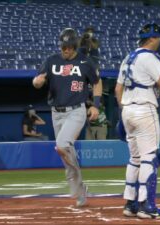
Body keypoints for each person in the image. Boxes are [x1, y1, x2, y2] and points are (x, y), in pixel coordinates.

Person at [32, 28, 102, 207]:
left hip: (76, 110)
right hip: (56, 113)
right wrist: (37, 82)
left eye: (70, 47)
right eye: (64, 47)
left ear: (75, 46)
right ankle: (80, 191)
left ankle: (78, 186)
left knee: (62, 145)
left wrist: (95, 105)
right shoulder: (51, 61)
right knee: (65, 154)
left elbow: (97, 82)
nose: (66, 50)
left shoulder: (86, 62)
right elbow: (37, 80)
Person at [115, 23, 160, 219]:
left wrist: (124, 113)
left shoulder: (128, 57)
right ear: (151, 38)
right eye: (158, 38)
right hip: (144, 109)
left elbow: (118, 90)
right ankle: (146, 206)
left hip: (127, 110)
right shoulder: (148, 57)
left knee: (134, 159)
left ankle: (130, 204)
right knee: (150, 157)